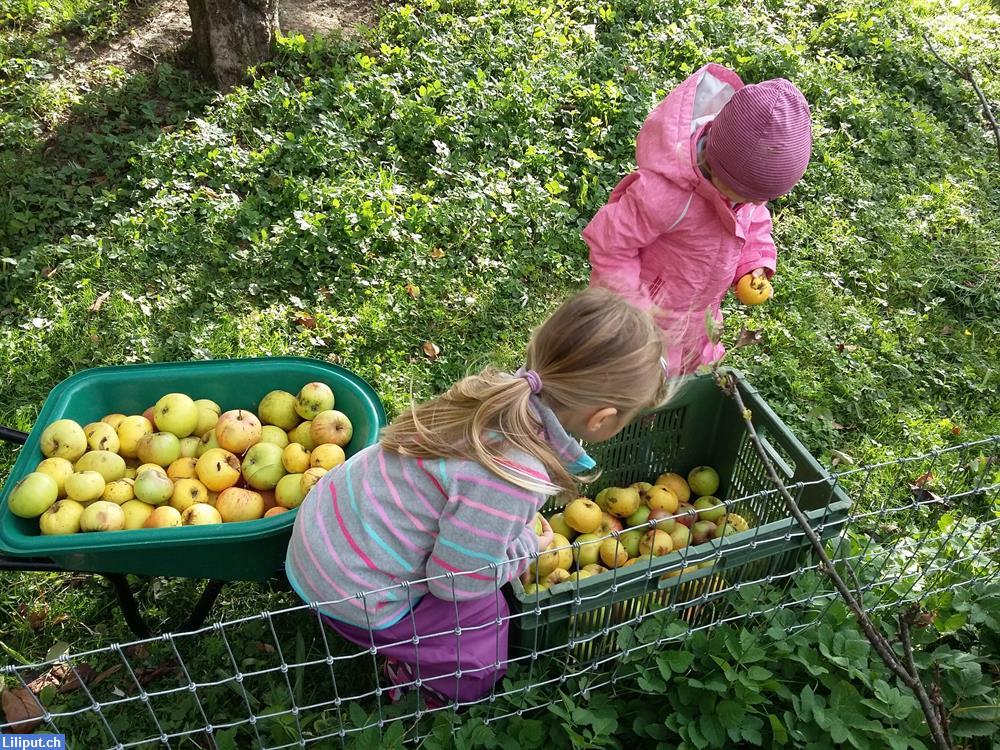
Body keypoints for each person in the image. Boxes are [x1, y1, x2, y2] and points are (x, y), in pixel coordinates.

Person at [284, 288, 669, 706]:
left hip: (322, 537)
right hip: (352, 591)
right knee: (485, 625)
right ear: (603, 419)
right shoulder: (512, 476)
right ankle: (428, 688)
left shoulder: (494, 394)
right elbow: (455, 583)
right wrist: (526, 546)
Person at [584, 63, 812, 374]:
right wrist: (629, 306)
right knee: (629, 380)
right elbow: (610, 243)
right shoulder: (665, 194)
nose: (749, 204)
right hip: (643, 321)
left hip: (698, 322)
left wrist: (754, 263)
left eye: (758, 200)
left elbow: (754, 220)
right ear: (715, 163)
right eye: (741, 195)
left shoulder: (742, 195)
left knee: (687, 376)